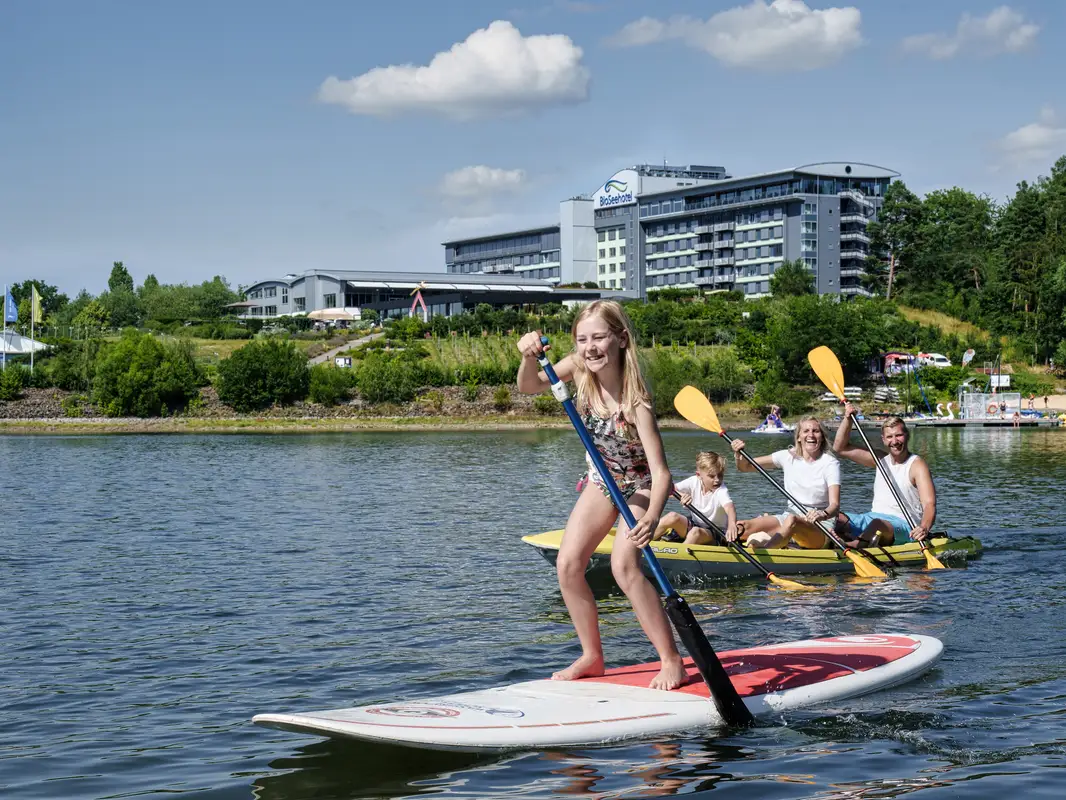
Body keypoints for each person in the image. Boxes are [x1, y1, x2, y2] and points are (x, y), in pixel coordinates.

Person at [516, 300, 686, 691]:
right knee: (567, 564)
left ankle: (671, 659)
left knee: (624, 566)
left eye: (598, 337)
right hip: (602, 481)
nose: (589, 347)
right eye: (582, 339)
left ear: (621, 339)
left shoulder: (636, 401)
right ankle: (592, 657)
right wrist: (527, 356)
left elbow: (662, 473)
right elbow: (529, 386)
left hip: (640, 484)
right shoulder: (578, 368)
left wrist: (651, 517)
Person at [832, 402, 936, 548]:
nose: (894, 441)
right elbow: (840, 448)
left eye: (899, 435)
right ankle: (823, 542)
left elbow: (929, 504)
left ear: (907, 436)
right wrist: (848, 419)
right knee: (836, 518)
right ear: (883, 439)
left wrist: (923, 527)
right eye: (889, 437)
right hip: (873, 518)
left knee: (877, 524)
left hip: (905, 525)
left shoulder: (917, 465)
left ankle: (851, 546)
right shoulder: (880, 460)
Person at [730, 417, 841, 549]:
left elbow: (835, 505)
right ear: (798, 437)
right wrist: (738, 453)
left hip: (819, 525)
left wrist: (822, 514)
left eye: (816, 431)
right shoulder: (787, 456)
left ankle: (767, 551)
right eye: (806, 431)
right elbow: (745, 467)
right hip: (789, 517)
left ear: (822, 437)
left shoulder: (830, 463)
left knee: (792, 520)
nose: (811, 435)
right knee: (741, 527)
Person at [652, 451, 737, 546]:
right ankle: (643, 543)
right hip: (695, 524)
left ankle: (679, 553)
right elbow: (668, 490)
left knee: (695, 532)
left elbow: (730, 508)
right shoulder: (693, 481)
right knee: (672, 517)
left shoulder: (721, 490)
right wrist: (681, 495)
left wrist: (732, 525)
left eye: (720, 475)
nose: (717, 480)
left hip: (716, 533)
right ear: (699, 475)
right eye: (712, 476)